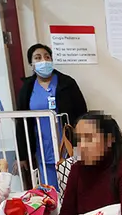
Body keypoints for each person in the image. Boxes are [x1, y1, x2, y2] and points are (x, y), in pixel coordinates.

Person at [15, 43, 88, 189]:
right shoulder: (27, 89)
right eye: (38, 57)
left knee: (73, 188)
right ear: (31, 63)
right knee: (50, 191)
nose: (43, 60)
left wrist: (84, 143)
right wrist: (23, 155)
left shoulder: (66, 83)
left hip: (68, 146)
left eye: (47, 57)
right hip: (42, 148)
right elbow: (21, 123)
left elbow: (82, 114)